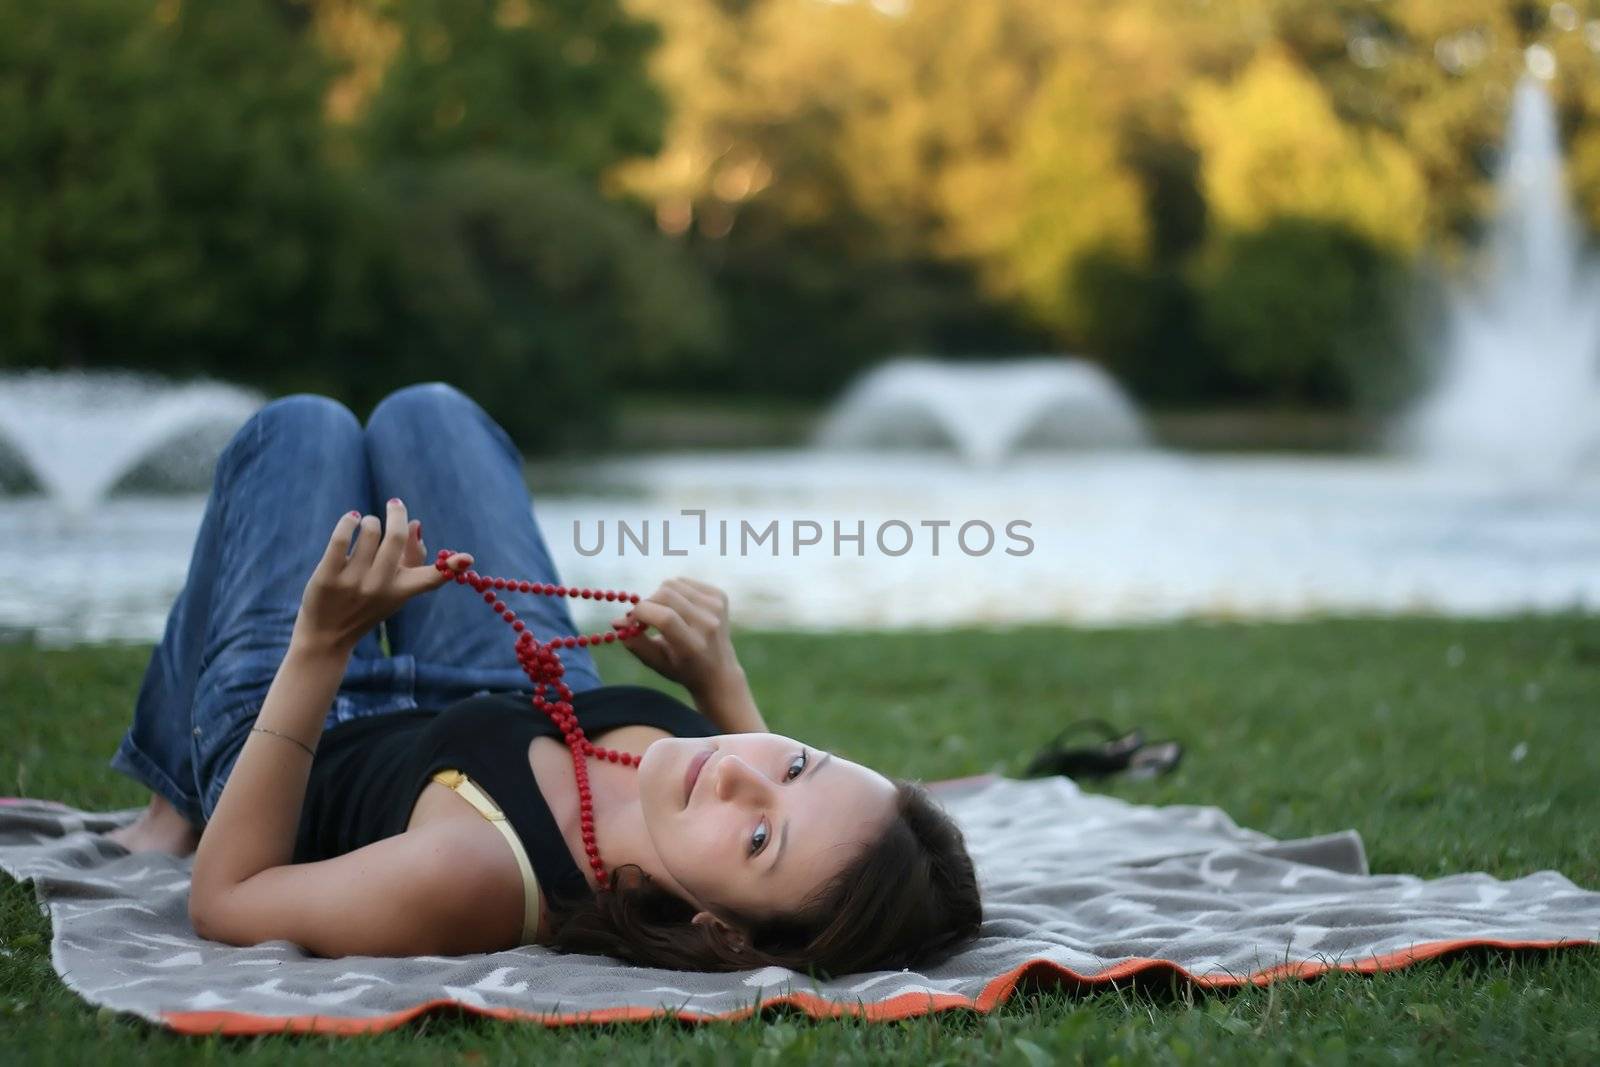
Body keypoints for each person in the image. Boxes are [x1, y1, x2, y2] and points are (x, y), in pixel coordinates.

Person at [103, 383, 981, 975]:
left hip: (304, 730)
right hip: (510, 687)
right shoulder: (707, 776)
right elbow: (761, 779)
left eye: (758, 840)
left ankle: (177, 798)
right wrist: (721, 677)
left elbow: (226, 901)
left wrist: (319, 648)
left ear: (721, 929)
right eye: (796, 763)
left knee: (296, 431)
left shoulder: (473, 876)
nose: (735, 772)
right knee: (430, 413)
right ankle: (164, 795)